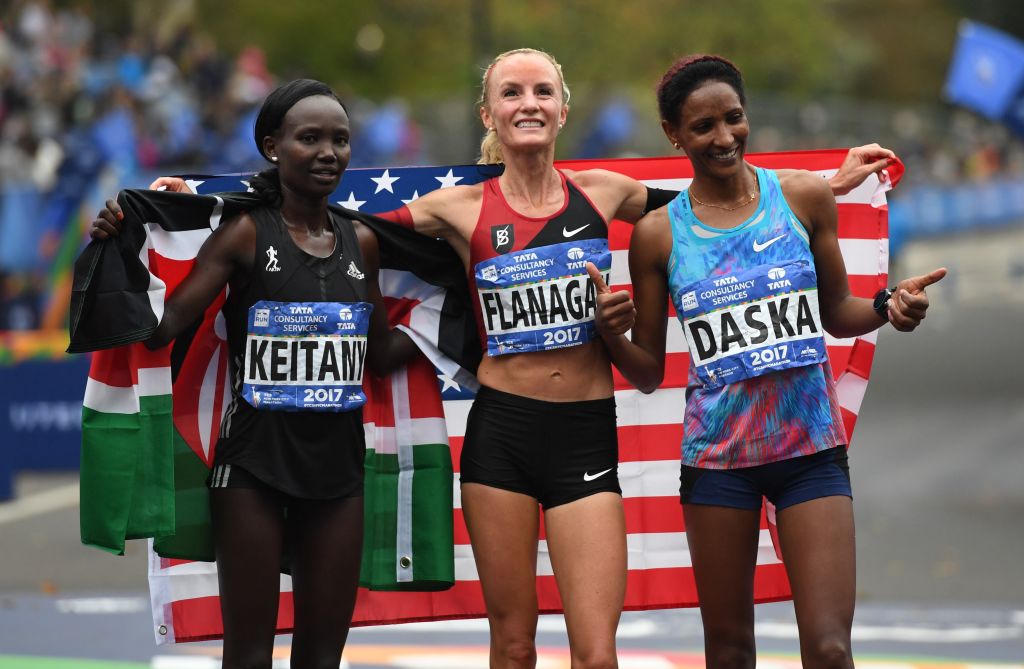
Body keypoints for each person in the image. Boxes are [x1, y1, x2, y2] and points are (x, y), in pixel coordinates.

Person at [144, 49, 895, 669]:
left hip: (585, 437)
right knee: (512, 647)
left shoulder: (606, 191)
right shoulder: (458, 208)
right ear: (489, 115)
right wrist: (198, 207)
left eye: (542, 91)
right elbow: (323, 216)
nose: (528, 102)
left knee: (595, 655)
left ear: (563, 110)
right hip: (500, 434)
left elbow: (716, 198)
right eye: (511, 92)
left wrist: (826, 184)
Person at [589, 54, 946, 669]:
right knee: (730, 652)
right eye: (703, 126)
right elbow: (646, 372)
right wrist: (610, 335)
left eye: (733, 118)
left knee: (830, 650)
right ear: (674, 135)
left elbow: (837, 311)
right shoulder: (658, 235)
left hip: (811, 452)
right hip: (718, 463)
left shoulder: (803, 197)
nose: (724, 137)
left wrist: (888, 305)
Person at [89, 79, 417, 669]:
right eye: (309, 138)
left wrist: (446, 324)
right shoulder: (244, 234)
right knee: (248, 657)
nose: (328, 153)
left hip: (339, 474)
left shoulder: (361, 242)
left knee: (322, 658)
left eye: (340, 140)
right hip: (252, 470)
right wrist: (124, 246)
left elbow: (379, 353)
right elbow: (164, 329)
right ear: (272, 146)